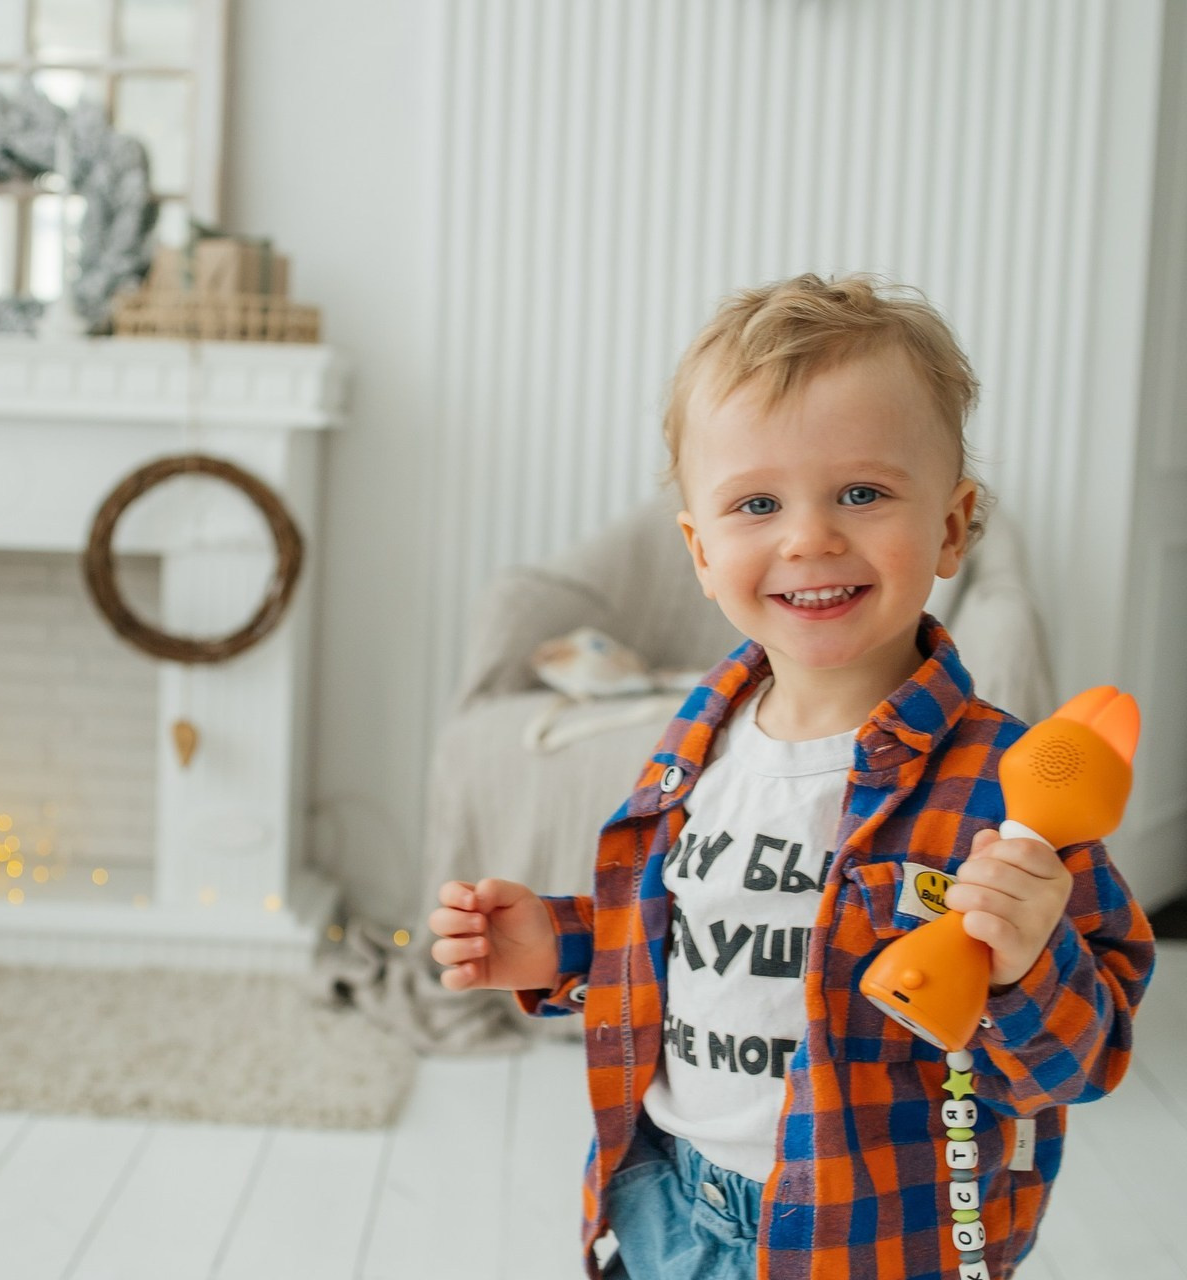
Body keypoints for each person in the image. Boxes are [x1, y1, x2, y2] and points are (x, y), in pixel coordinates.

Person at [429, 274, 1155, 1280]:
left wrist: (1026, 960)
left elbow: (1082, 1059)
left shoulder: (1002, 787)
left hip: (877, 1238)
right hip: (668, 1203)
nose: (806, 536)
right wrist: (554, 940)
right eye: (755, 502)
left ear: (951, 526)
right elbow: (684, 938)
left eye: (860, 492)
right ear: (698, 549)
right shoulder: (695, 747)